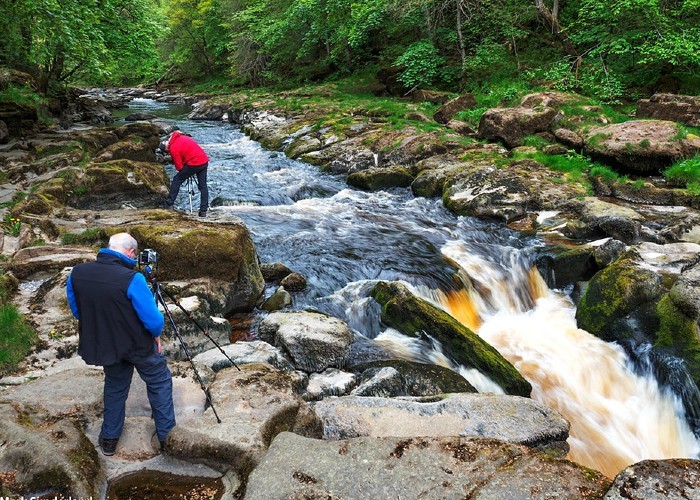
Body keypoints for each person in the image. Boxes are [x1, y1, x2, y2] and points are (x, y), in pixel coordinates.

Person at [66, 233, 175, 456]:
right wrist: (156, 335)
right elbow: (154, 321)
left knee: (115, 387)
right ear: (131, 253)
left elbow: (78, 310)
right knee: (159, 381)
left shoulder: (77, 273)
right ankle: (166, 437)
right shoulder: (133, 279)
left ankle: (109, 439)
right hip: (138, 345)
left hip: (108, 344)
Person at [160, 130, 209, 217]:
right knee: (203, 186)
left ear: (166, 148)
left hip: (194, 163)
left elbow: (179, 167)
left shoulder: (173, 148)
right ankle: (203, 211)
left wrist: (184, 167)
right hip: (204, 160)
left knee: (177, 180)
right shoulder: (182, 137)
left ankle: (169, 203)